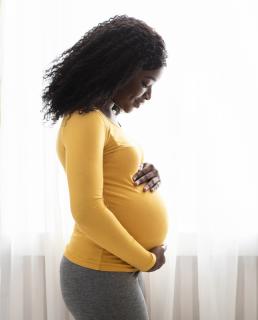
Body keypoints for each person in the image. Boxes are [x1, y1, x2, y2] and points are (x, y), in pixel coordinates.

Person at [41, 15, 169, 320]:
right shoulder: (85, 119)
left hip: (113, 266)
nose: (148, 96)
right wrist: (146, 260)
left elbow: (112, 177)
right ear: (119, 72)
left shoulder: (104, 117)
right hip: (99, 269)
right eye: (145, 84)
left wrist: (147, 174)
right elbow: (87, 210)